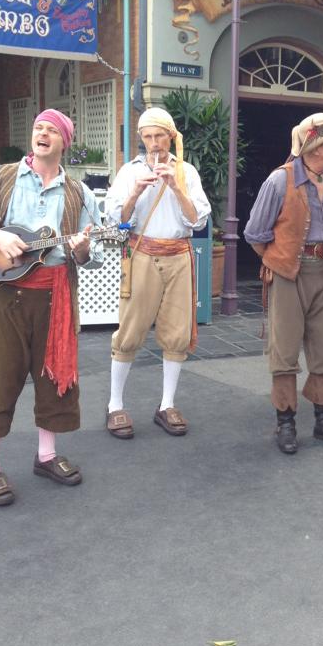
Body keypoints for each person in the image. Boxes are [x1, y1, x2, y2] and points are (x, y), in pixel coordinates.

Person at [0, 109, 104, 506]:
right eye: (39, 127)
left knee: (53, 376)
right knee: (1, 378)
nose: (42, 133)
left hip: (56, 297)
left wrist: (86, 248)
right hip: (6, 295)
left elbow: (97, 255)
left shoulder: (80, 194)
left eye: (52, 130)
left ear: (64, 143)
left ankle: (46, 455)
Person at [244, 112, 323, 455]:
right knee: (285, 351)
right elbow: (254, 233)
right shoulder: (280, 181)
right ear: (315, 145)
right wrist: (277, 261)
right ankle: (286, 423)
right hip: (288, 275)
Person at [104, 107, 210, 439]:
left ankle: (166, 404)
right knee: (130, 329)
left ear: (171, 136)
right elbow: (116, 220)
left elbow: (199, 220)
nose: (153, 144)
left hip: (178, 255)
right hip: (143, 252)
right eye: (147, 137)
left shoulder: (187, 171)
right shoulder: (128, 171)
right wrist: (136, 190)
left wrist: (175, 186)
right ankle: (115, 405)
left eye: (159, 136)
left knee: (177, 332)